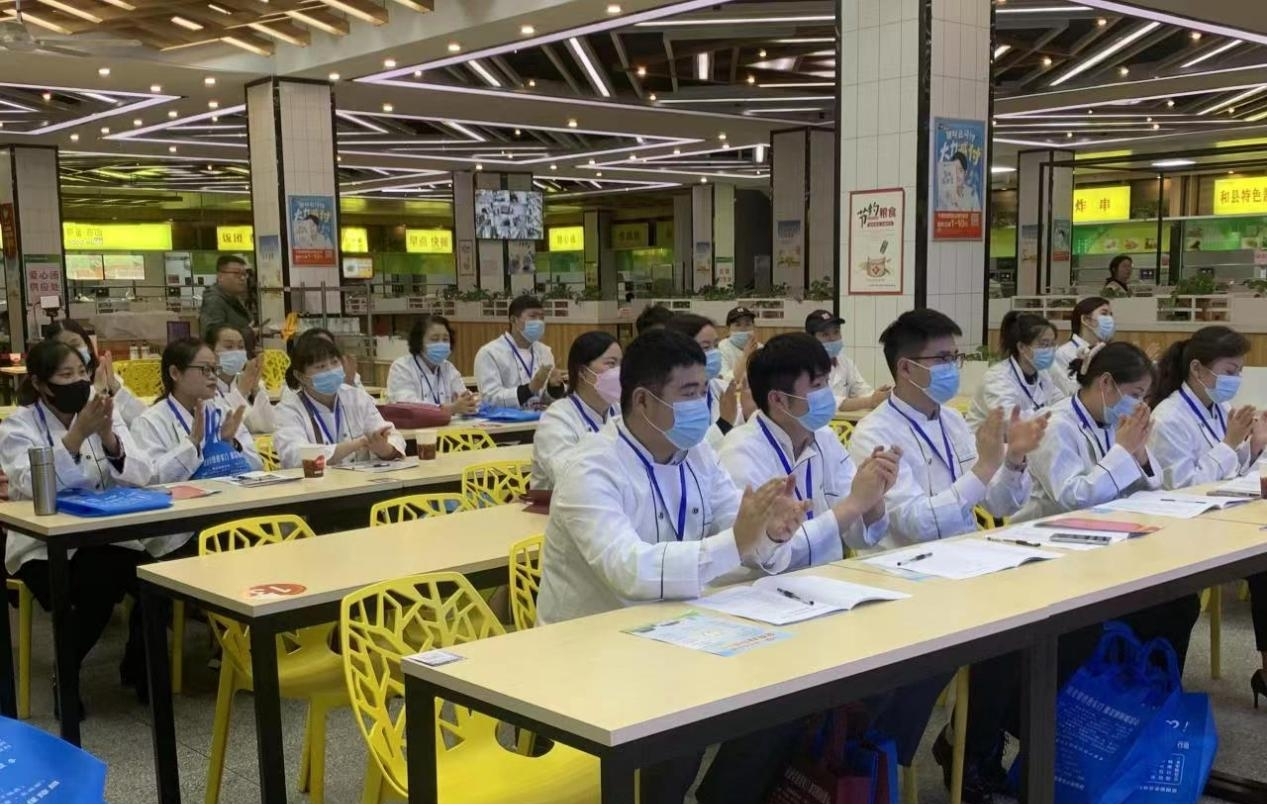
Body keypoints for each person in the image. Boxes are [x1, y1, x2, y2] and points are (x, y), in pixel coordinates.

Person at [537, 327, 810, 803]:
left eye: (703, 390)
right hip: (591, 649)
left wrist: (772, 532)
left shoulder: (697, 453)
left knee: (785, 696)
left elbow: (742, 528)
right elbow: (629, 569)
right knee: (681, 724)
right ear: (643, 401)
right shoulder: (590, 467)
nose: (702, 404)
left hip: (676, 631)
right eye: (688, 392)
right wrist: (738, 540)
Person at [961, 342, 1199, 801]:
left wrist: (1138, 456)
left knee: (1175, 605)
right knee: (1067, 633)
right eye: (1135, 393)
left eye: (1145, 396)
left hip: (1102, 550)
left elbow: (1148, 488)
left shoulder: (1112, 423)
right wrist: (1122, 454)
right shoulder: (1057, 425)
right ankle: (996, 737)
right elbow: (1073, 497)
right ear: (1106, 383)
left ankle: (1139, 715)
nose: (1140, 405)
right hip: (1044, 551)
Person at [0, 339, 156, 710]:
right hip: (43, 547)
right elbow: (31, 485)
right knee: (100, 583)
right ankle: (67, 673)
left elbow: (143, 473)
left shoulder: (100, 411)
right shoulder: (18, 427)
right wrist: (76, 436)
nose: (77, 381)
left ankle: (139, 668)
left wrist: (109, 437)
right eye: (65, 375)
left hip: (103, 535)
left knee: (156, 581)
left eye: (82, 372)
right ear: (40, 384)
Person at [849, 309, 1046, 549]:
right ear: (906, 368)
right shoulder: (874, 434)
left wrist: (1013, 460)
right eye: (942, 359)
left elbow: (999, 505)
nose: (952, 367)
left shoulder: (952, 419)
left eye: (955, 358)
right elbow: (918, 525)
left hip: (965, 551)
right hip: (908, 562)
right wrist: (984, 468)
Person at [1145, 326, 1267, 708]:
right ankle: (1157, 695)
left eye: (1240, 372)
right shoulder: (1169, 417)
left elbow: (1233, 473)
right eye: (1230, 371)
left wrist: (1254, 447)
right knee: (1177, 605)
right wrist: (1230, 444)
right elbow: (1183, 487)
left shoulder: (1220, 410)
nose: (1236, 380)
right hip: (1178, 530)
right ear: (1198, 369)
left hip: (1221, 523)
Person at [129, 339, 260, 558]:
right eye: (205, 369)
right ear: (175, 373)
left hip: (230, 514)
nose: (213, 376)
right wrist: (191, 444)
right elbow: (150, 481)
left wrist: (228, 444)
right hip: (180, 531)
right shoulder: (150, 421)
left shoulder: (222, 410)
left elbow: (257, 465)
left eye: (215, 369)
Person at [273, 333, 405, 469]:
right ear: (300, 376)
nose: (330, 370)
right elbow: (295, 456)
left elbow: (393, 436)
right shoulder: (288, 410)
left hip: (360, 480)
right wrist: (356, 444)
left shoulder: (356, 397)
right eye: (321, 367)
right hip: (315, 481)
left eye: (335, 362)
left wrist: (384, 449)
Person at [529, 331, 621, 491]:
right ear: (583, 372)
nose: (619, 371)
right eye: (611, 364)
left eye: (621, 364)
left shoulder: (621, 411)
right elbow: (570, 478)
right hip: (563, 504)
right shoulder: (557, 419)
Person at [966, 311, 1065, 431]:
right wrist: (1050, 415)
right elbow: (1010, 420)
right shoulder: (997, 377)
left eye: (1052, 344)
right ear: (1022, 347)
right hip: (987, 440)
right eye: (1044, 344)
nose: (1050, 350)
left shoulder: (1042, 374)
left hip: (1029, 437)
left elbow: (1062, 403)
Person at [665, 313, 748, 448]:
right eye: (706, 347)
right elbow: (687, 449)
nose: (714, 353)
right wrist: (723, 424)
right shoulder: (669, 396)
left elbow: (738, 424)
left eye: (715, 345)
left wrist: (747, 413)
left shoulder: (720, 387)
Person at [45, 319, 147, 426]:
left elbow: (143, 423)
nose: (72, 353)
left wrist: (116, 388)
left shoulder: (108, 378)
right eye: (63, 349)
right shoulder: (59, 388)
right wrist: (98, 392)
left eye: (75, 345)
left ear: (88, 346)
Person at [473, 295, 563, 410]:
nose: (539, 322)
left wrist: (553, 388)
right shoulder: (490, 353)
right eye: (533, 316)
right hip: (505, 420)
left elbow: (546, 400)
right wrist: (529, 389)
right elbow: (490, 399)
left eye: (541, 317)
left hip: (539, 417)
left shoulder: (545, 351)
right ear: (513, 320)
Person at [386, 314, 478, 415]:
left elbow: (464, 398)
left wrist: (470, 402)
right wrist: (450, 409)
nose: (441, 344)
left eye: (445, 339)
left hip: (449, 425)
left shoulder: (448, 368)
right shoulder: (402, 367)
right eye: (434, 339)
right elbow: (407, 407)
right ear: (419, 342)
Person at [805, 309, 890, 412]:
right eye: (825, 334)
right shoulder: (806, 367)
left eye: (836, 332)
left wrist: (882, 397)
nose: (833, 338)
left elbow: (861, 389)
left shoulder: (844, 362)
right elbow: (828, 402)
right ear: (811, 339)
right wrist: (870, 401)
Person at [206, 323, 275, 434]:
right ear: (210, 352)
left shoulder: (248, 380)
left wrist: (255, 389)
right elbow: (220, 427)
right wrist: (241, 392)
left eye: (241, 347)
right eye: (229, 347)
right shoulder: (204, 386)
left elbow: (269, 426)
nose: (236, 352)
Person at [1052, 296, 1113, 398]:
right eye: (1104, 314)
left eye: (1111, 315)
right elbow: (1067, 392)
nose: (1110, 319)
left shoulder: (1108, 351)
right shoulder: (1063, 353)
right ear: (1085, 319)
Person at [199, 254, 253, 341]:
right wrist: (248, 332)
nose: (243, 278)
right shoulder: (214, 301)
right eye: (236, 273)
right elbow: (212, 335)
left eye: (244, 274)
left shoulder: (233, 297)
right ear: (220, 276)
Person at [718, 305, 760, 378]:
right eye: (738, 325)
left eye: (748, 324)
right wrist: (746, 356)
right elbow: (725, 379)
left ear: (753, 327)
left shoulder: (760, 348)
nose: (743, 329)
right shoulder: (722, 348)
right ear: (728, 329)